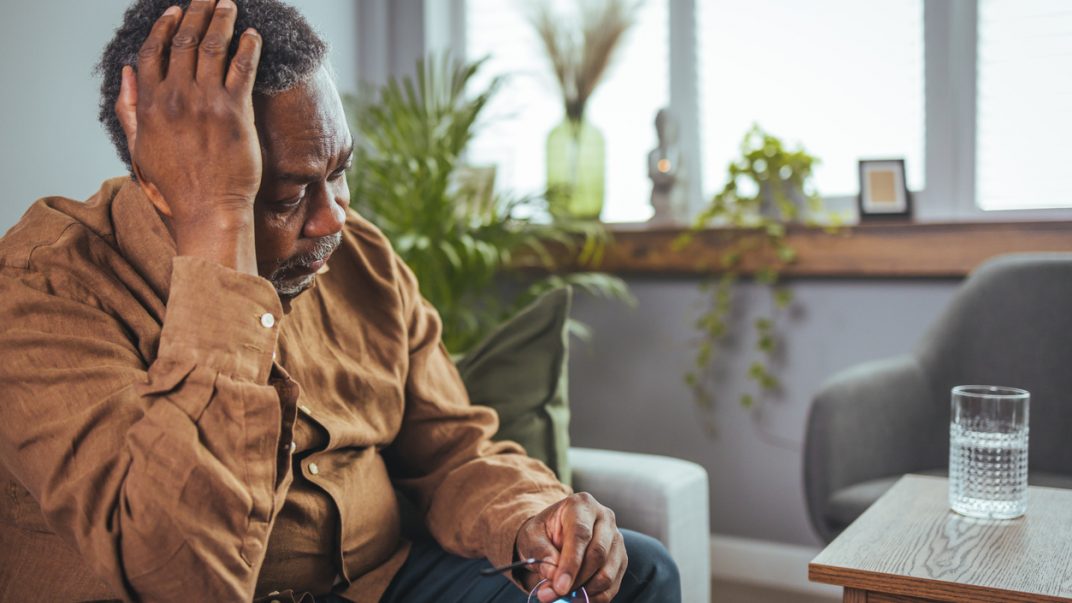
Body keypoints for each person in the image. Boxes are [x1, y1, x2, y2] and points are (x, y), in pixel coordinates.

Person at [0, 1, 680, 602]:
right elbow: (182, 574)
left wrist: (534, 514)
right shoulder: (45, 286)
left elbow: (453, 450)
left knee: (639, 572)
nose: (332, 221)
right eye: (286, 196)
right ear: (168, 182)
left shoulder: (363, 259)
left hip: (378, 582)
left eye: (340, 171)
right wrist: (219, 231)